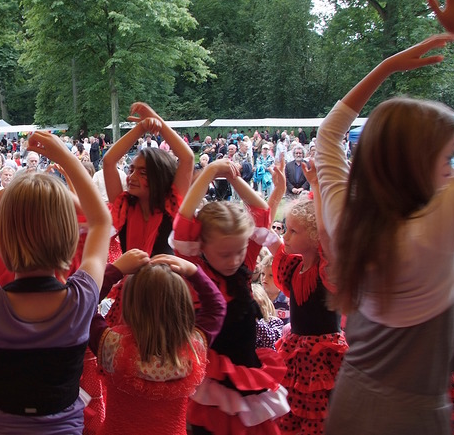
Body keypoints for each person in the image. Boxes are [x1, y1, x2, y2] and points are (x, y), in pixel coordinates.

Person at [316, 0, 454, 429]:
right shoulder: (432, 232)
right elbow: (330, 135)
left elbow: (328, 134)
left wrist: (387, 68)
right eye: (448, 159)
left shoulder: (349, 218)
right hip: (410, 416)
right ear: (417, 166)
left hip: (351, 399)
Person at [0, 122, 111, 432]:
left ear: (0, 239)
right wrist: (62, 154)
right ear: (72, 237)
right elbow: (100, 221)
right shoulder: (82, 298)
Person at [173, 158, 290, 434]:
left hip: (247, 371)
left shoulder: (244, 263)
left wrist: (235, 177)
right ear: (201, 245)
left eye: (239, 251)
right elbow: (183, 221)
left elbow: (261, 211)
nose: (234, 260)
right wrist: (211, 171)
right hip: (212, 378)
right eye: (225, 254)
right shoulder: (197, 270)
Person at [89, 254, 225, 435]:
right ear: (182, 304)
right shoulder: (193, 348)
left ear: (130, 304)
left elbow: (85, 306)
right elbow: (217, 306)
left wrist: (117, 270)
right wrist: (192, 271)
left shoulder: (112, 346)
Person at [262, 173, 347, 433]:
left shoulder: (327, 270)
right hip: (296, 349)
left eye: (293, 231)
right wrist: (278, 191)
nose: (285, 236)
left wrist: (319, 186)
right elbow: (265, 233)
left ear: (315, 236)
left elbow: (326, 231)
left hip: (321, 355)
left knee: (317, 414)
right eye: (286, 228)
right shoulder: (292, 266)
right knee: (292, 410)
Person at [102, 102, 194, 256]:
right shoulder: (124, 206)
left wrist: (157, 121)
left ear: (159, 177)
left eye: (143, 172)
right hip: (131, 281)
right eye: (132, 170)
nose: (132, 177)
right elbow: (109, 161)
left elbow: (188, 158)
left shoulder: (171, 205)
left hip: (166, 280)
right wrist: (141, 128)